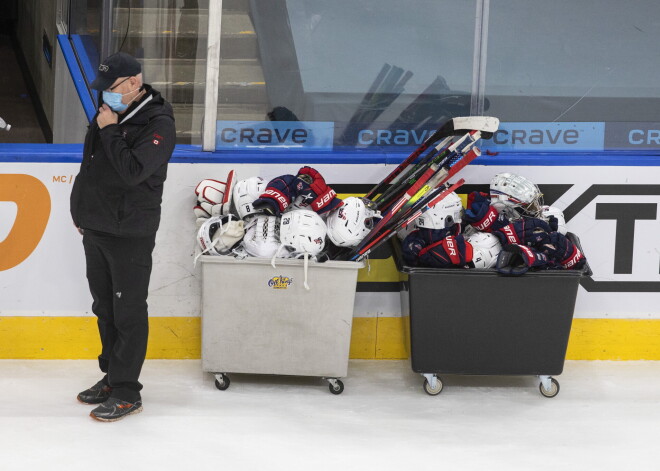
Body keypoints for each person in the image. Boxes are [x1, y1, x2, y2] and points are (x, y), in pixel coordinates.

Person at [70, 52, 176, 422]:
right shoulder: (108, 112)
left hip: (129, 230)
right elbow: (91, 166)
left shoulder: (158, 121)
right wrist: (80, 210)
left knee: (128, 310)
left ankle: (128, 390)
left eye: (111, 88)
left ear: (134, 83)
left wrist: (110, 129)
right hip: (96, 225)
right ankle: (111, 378)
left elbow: (132, 171)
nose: (105, 96)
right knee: (105, 307)